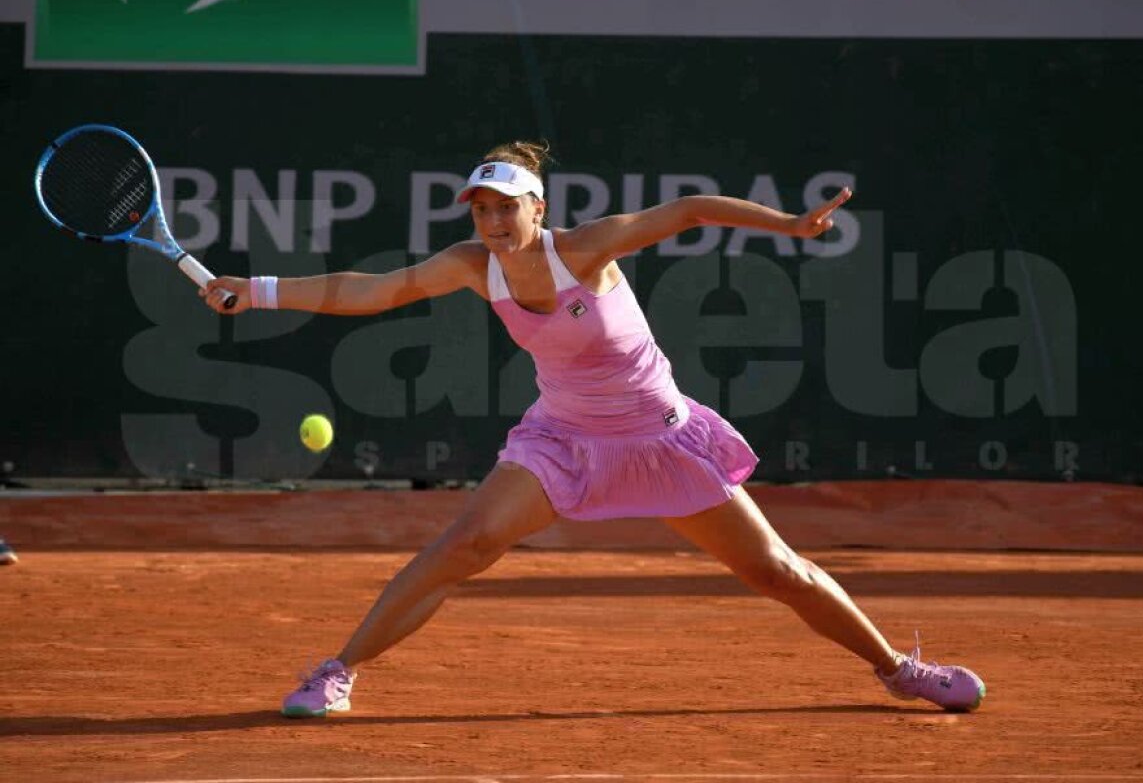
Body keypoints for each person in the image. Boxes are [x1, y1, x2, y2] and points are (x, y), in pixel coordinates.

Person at [203, 141, 985, 718]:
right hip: (563, 441)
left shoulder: (587, 247)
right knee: (463, 546)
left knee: (777, 572)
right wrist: (261, 291)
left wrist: (790, 225)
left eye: (506, 206)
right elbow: (370, 292)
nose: (492, 221)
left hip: (660, 438)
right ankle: (337, 672)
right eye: (481, 208)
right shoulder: (474, 265)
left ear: (538, 209)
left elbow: (689, 210)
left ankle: (896, 668)